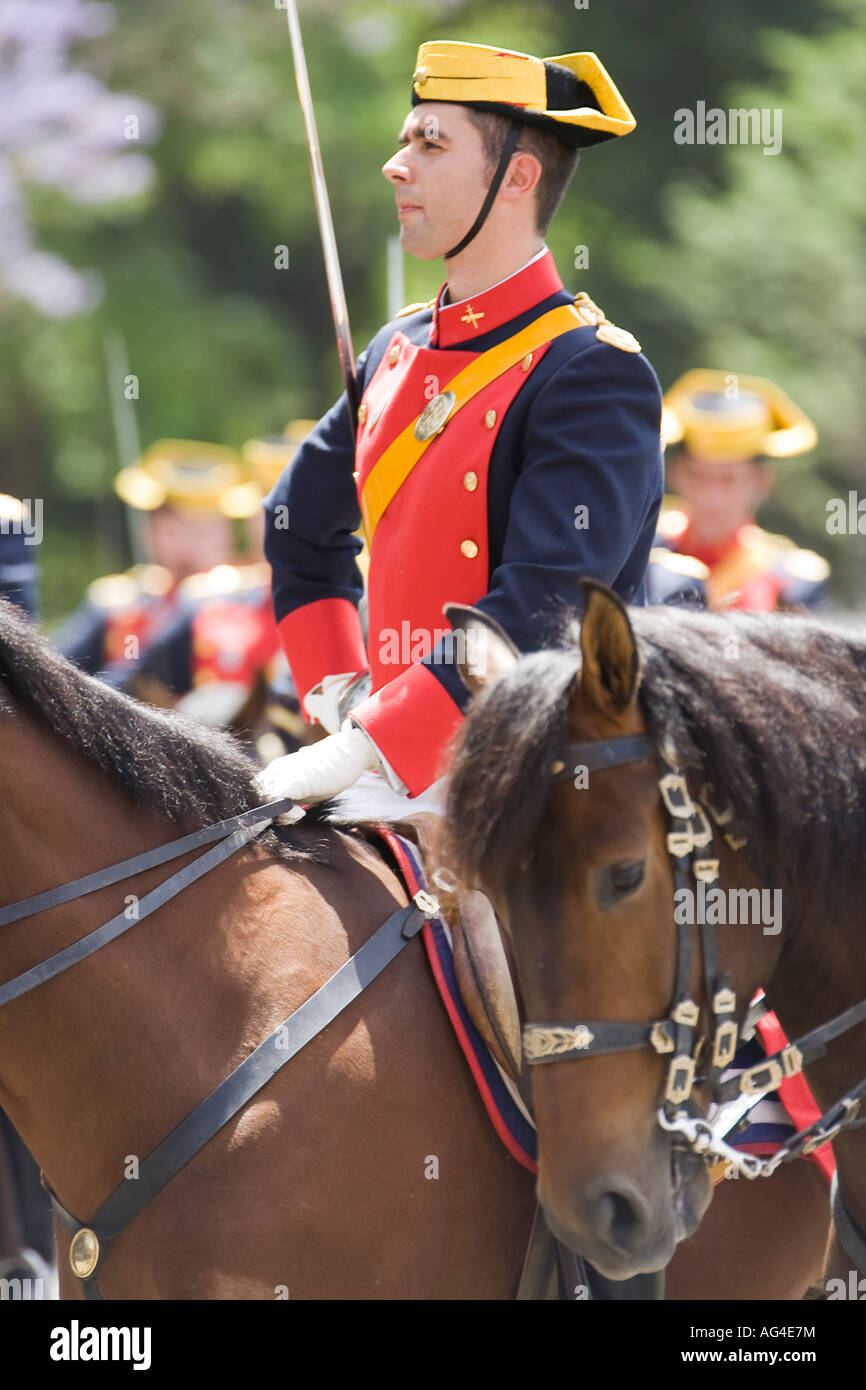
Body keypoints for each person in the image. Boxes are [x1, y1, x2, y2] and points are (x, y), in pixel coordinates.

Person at [257, 39, 664, 810]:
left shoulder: (590, 373)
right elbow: (295, 528)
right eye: (407, 137)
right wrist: (341, 695)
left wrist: (376, 737)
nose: (396, 163)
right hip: (388, 759)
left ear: (517, 176)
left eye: (430, 142)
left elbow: (543, 608)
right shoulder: (396, 349)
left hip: (537, 791)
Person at [55, 439, 249, 686]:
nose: (188, 544)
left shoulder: (252, 602)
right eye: (174, 531)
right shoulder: (119, 601)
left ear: (229, 532)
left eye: (203, 531)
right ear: (147, 531)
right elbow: (59, 675)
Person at [648, 370, 830, 611]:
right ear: (675, 474)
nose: (710, 496)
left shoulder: (791, 580)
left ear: (761, 482)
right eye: (698, 477)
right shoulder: (644, 550)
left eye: (728, 480)